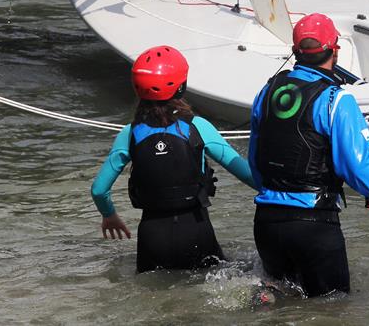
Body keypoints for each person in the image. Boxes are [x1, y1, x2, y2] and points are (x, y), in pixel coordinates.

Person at [248, 13, 369, 297]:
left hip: (266, 222)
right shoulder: (337, 100)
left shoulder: (267, 91)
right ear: (335, 50)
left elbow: (256, 160)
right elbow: (359, 169)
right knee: (333, 309)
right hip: (313, 226)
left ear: (296, 51)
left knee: (282, 302)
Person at [91, 45, 256, 272]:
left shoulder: (129, 134)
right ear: (181, 86)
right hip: (196, 230)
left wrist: (109, 216)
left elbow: (99, 190)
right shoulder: (197, 127)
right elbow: (247, 174)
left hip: (151, 238)